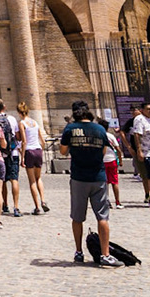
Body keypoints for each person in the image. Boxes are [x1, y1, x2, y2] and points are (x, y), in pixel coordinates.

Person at [57, 101, 115, 268]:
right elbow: (104, 151)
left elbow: (62, 151)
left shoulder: (70, 129)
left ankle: (79, 251)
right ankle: (105, 254)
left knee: (77, 217)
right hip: (98, 176)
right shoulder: (100, 129)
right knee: (102, 217)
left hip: (79, 177)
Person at [18, 101, 49, 214]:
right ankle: (43, 200)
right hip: (38, 150)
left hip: (29, 151)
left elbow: (24, 141)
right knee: (38, 178)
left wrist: (22, 158)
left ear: (19, 112)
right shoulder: (35, 122)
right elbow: (42, 139)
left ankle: (37, 207)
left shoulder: (22, 123)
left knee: (32, 181)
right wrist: (42, 149)